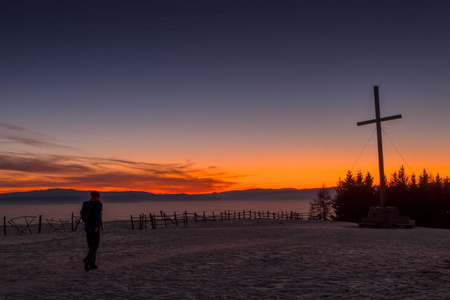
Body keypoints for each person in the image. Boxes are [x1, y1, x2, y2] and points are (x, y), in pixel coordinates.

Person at [83, 191, 103, 272]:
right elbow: (97, 216)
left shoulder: (87, 203)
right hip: (94, 228)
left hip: (87, 227)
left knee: (91, 245)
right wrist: (96, 226)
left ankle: (91, 264)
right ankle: (88, 260)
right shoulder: (98, 204)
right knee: (95, 246)